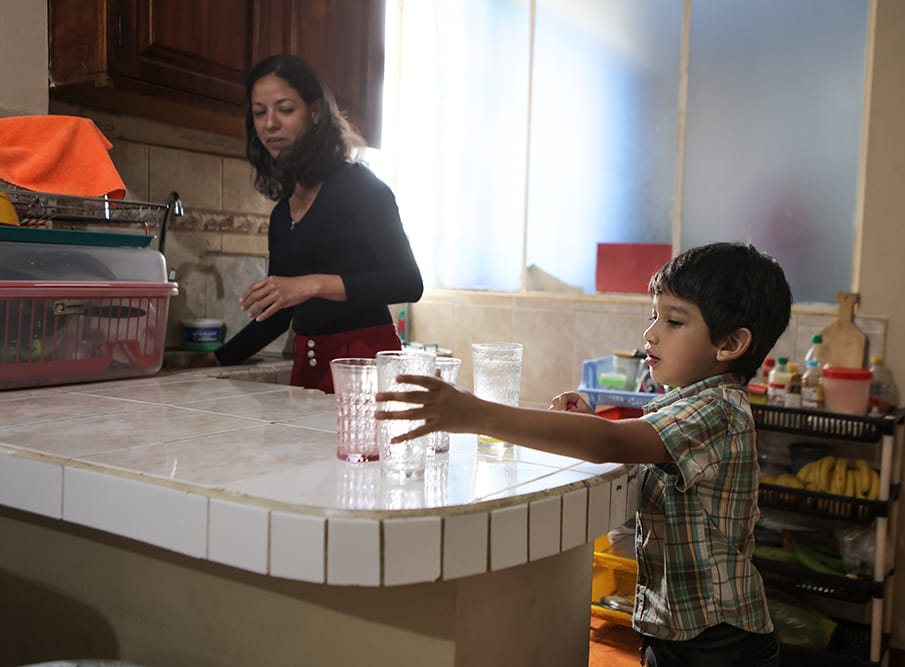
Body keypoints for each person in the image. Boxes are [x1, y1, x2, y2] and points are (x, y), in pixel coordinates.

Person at [375, 242, 791, 666]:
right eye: (654, 316)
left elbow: (609, 443)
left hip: (720, 645)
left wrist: (478, 414)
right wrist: (594, 422)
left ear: (731, 343)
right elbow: (622, 440)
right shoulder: (687, 404)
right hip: (680, 631)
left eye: (674, 321)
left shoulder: (717, 410)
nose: (650, 333)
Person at [199, 54, 423, 393]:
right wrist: (216, 358)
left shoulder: (361, 188)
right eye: (259, 112)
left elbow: (408, 283)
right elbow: (278, 315)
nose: (269, 123)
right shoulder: (281, 214)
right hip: (308, 369)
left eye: (285, 109)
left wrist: (312, 284)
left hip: (364, 366)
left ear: (315, 112)